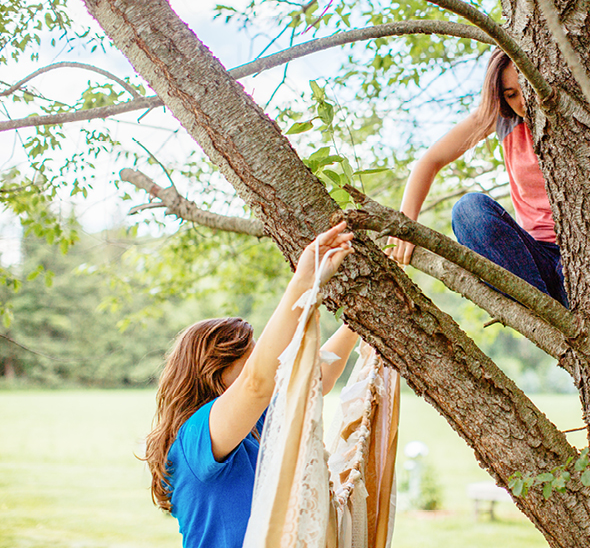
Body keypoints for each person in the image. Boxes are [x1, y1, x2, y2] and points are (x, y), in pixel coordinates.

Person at [143, 222, 357, 548]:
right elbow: (257, 382)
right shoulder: (196, 436)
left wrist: (359, 322)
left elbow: (320, 377)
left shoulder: (256, 420)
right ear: (216, 371)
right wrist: (304, 280)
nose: (263, 360)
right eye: (249, 355)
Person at [389, 48, 568, 307]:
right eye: (511, 94)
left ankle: (563, 306)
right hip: (532, 261)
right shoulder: (503, 118)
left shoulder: (573, 116)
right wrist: (404, 228)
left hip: (580, 257)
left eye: (527, 87)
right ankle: (543, 309)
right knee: (468, 210)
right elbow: (429, 161)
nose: (523, 101)